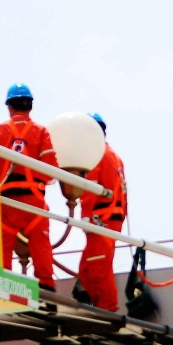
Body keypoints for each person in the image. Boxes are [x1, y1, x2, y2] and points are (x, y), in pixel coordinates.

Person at [0, 84, 57, 291]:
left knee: (1, 248)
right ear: (30, 106)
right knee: (40, 244)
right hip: (33, 203)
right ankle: (46, 288)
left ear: (9, 107)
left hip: (6, 203)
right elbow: (50, 171)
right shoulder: (41, 132)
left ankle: (1, 289)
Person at [68, 112, 129, 312]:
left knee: (98, 266)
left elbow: (90, 187)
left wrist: (85, 217)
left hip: (102, 219)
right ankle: (97, 306)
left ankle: (108, 310)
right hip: (112, 218)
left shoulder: (96, 154)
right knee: (87, 269)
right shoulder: (114, 156)